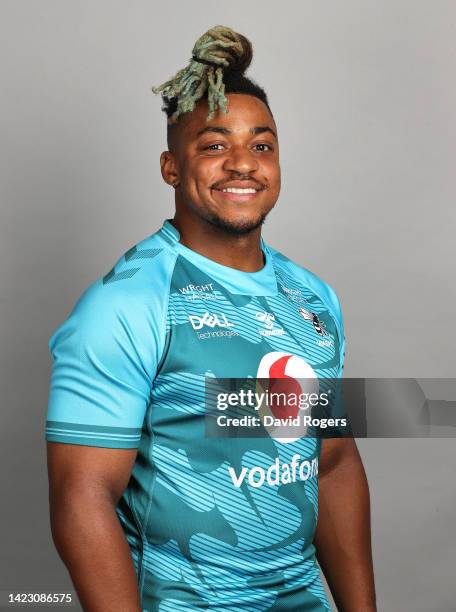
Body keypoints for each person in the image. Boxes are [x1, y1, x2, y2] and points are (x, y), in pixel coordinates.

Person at [45, 25, 376, 612]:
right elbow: (83, 497)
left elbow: (332, 461)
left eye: (262, 145)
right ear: (172, 167)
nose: (243, 165)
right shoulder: (127, 304)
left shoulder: (313, 296)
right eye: (215, 145)